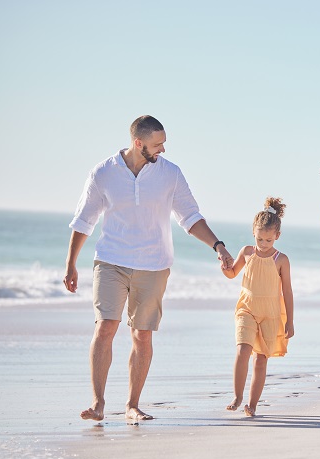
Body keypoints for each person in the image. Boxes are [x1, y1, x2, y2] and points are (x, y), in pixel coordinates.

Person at [64, 115, 234, 421]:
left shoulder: (170, 174)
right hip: (111, 260)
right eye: (157, 144)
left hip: (154, 264)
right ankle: (99, 402)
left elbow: (190, 217)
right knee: (105, 327)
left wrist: (218, 246)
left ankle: (132, 405)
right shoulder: (103, 172)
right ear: (138, 142)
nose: (163, 150)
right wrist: (71, 264)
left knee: (142, 336)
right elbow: (84, 220)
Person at [221, 197, 295, 417]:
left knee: (261, 360)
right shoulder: (247, 252)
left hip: (271, 314)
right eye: (259, 238)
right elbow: (232, 273)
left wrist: (289, 321)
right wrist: (225, 266)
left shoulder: (281, 259)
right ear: (253, 232)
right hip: (247, 308)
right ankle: (237, 396)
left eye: (268, 240)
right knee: (243, 349)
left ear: (277, 237)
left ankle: (252, 405)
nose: (263, 244)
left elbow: (287, 292)